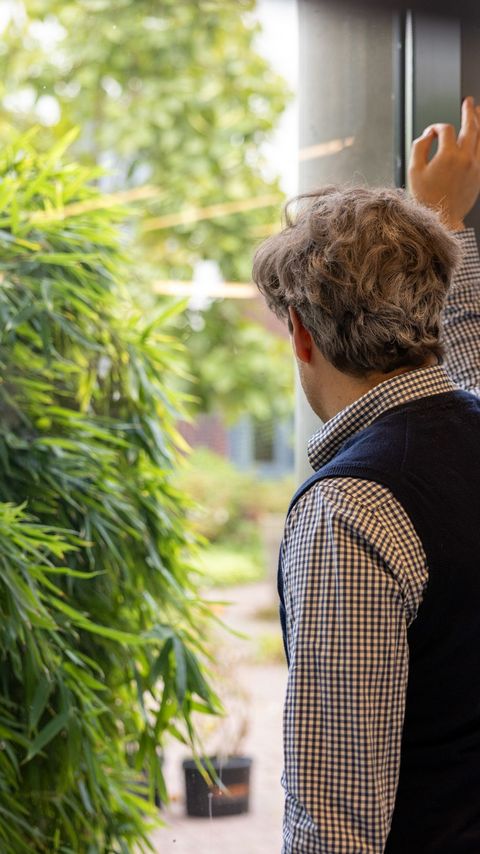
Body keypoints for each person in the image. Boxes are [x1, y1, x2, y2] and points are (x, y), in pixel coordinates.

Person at [252, 96, 480, 853]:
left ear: (301, 335)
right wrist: (443, 219)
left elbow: (335, 825)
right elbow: (466, 348)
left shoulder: (351, 510)